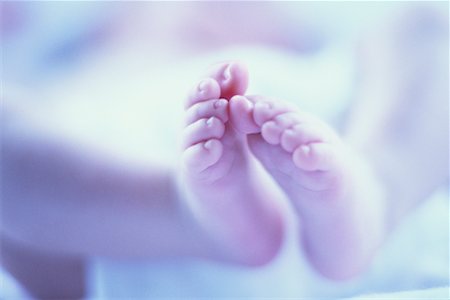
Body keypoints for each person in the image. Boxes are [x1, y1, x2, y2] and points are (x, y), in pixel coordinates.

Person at [1, 3, 447, 299]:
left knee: (427, 24)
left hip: (349, 181)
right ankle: (178, 207)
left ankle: (378, 188)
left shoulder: (324, 68)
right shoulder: (67, 74)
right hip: (117, 230)